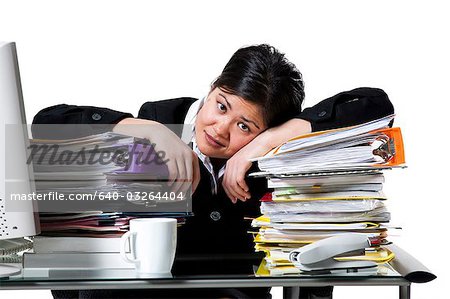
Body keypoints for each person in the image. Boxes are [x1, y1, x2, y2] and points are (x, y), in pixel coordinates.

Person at [32, 44, 394, 299]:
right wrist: (148, 129)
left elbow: (374, 104)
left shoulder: (272, 154)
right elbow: (47, 122)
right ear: (211, 90)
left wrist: (268, 141)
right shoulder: (162, 117)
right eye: (220, 106)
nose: (220, 129)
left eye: (244, 126)